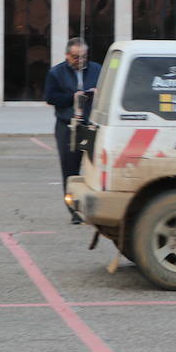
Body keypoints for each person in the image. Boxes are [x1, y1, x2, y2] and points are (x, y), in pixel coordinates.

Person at [45, 37, 102, 223]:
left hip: (91, 124)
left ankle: (95, 208)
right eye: (76, 57)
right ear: (67, 55)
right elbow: (50, 97)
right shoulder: (56, 72)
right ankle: (74, 210)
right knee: (70, 169)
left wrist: (95, 93)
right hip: (67, 126)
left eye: (84, 57)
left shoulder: (96, 69)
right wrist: (72, 97)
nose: (80, 61)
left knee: (96, 167)